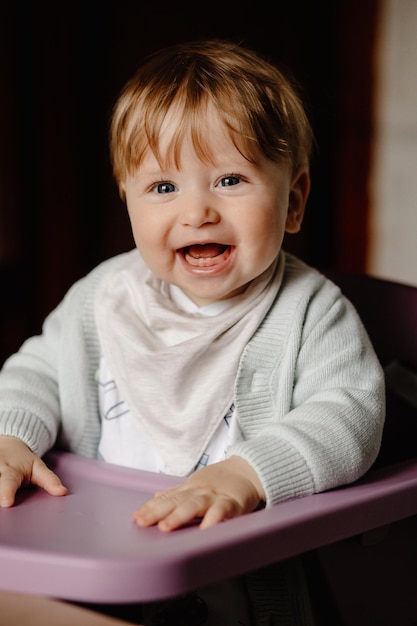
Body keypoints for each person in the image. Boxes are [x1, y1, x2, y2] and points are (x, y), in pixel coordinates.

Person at [0, 39, 385, 624]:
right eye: (162, 187)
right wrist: (12, 437)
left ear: (294, 202)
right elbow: (39, 370)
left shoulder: (310, 310)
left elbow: (350, 413)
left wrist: (249, 473)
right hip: (91, 573)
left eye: (230, 180)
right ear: (126, 201)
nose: (197, 211)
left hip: (240, 587)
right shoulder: (103, 298)